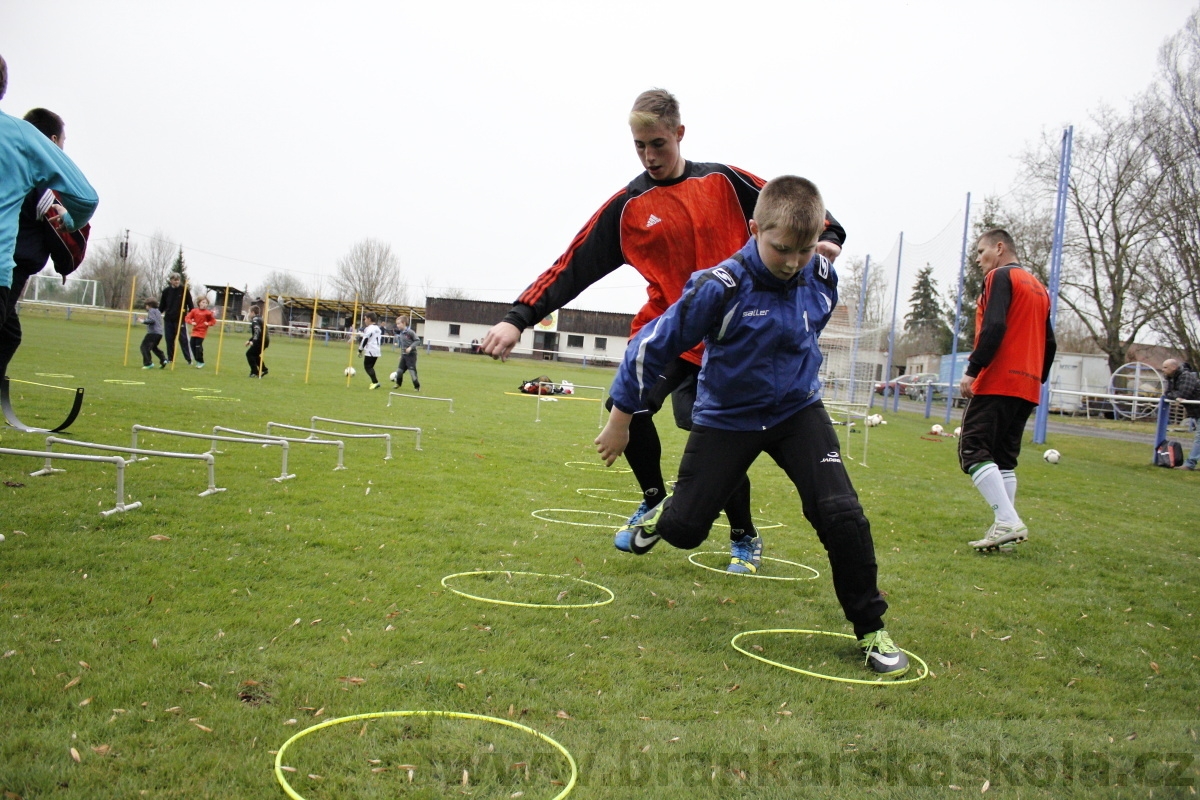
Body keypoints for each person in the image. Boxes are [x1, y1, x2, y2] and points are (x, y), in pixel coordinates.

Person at [480, 89, 847, 574]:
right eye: (639, 146)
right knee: (622, 405)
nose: (650, 155)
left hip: (731, 338)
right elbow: (572, 265)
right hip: (671, 331)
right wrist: (518, 316)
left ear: (679, 133)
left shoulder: (726, 181)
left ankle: (743, 535)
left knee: (714, 432)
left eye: (658, 143)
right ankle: (654, 499)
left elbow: (805, 211)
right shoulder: (630, 206)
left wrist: (828, 241)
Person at [596, 176, 907, 676]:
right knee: (686, 530)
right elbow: (649, 348)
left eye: (804, 250)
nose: (791, 261)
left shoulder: (822, 276)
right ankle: (664, 516)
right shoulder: (718, 286)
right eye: (781, 248)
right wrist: (620, 419)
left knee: (842, 514)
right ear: (754, 228)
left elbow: (808, 328)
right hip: (728, 419)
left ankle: (871, 628)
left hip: (797, 413)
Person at [957, 229, 1057, 551]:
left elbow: (994, 326)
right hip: (1027, 387)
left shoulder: (1000, 277)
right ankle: (1006, 536)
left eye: (981, 251)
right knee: (1004, 459)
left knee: (973, 449)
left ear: (999, 248)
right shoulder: (1040, 288)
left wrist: (973, 371)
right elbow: (1050, 344)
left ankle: (1007, 520)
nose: (977, 259)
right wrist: (1035, 378)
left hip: (999, 379)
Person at [0, 56, 98, 380]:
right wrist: (71, 224)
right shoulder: (29, 156)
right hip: (8, 271)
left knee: (10, 334)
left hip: (13, 271)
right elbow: (81, 208)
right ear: (52, 143)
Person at [1162, 358, 1200, 470]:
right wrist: (1175, 396)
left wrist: (1175, 395)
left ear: (1174, 367)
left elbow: (1183, 393)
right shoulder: (1171, 378)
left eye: (1165, 367)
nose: (1163, 370)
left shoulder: (1186, 376)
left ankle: (1190, 464)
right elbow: (1168, 393)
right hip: (1196, 411)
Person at [159, 273, 195, 366]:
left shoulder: (184, 290)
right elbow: (162, 306)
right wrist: (157, 314)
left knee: (183, 339)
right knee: (169, 339)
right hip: (168, 319)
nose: (177, 281)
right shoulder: (166, 291)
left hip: (180, 319)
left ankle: (189, 359)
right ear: (171, 280)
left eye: (178, 280)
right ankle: (170, 358)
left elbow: (190, 304)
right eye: (175, 280)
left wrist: (192, 316)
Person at [184, 296, 216, 368]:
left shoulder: (208, 313)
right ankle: (197, 360)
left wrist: (208, 324)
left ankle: (201, 361)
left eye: (206, 303)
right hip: (194, 331)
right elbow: (187, 318)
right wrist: (191, 322)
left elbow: (213, 321)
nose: (205, 304)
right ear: (199, 303)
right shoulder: (194, 311)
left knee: (198, 346)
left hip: (201, 332)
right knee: (192, 345)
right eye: (203, 302)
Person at [139, 298, 167, 369]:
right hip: (159, 333)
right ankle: (163, 359)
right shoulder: (157, 311)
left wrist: (143, 321)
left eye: (146, 305)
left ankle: (148, 363)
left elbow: (152, 320)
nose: (146, 307)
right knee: (154, 347)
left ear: (150, 305)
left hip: (153, 333)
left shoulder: (151, 311)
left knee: (144, 347)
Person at [394, 315, 420, 390]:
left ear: (404, 323)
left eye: (398, 323)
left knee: (412, 372)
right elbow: (403, 346)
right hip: (404, 356)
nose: (397, 325)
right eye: (397, 324)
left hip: (411, 355)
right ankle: (398, 384)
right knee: (399, 371)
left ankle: (417, 386)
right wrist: (401, 355)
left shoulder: (410, 332)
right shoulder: (401, 333)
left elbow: (417, 340)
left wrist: (410, 347)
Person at [358, 311, 383, 389]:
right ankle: (374, 382)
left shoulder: (369, 328)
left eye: (365, 319)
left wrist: (360, 349)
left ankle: (375, 382)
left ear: (369, 319)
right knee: (370, 366)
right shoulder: (378, 328)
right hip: (377, 350)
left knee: (367, 367)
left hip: (371, 349)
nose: (364, 321)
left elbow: (365, 339)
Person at [245, 304, 268, 377]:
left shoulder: (255, 320)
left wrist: (253, 341)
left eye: (249, 312)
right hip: (265, 340)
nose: (249, 314)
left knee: (249, 354)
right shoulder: (260, 319)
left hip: (260, 341)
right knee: (254, 355)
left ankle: (254, 372)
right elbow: (258, 332)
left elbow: (257, 331)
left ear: (252, 312)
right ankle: (264, 369)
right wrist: (250, 340)